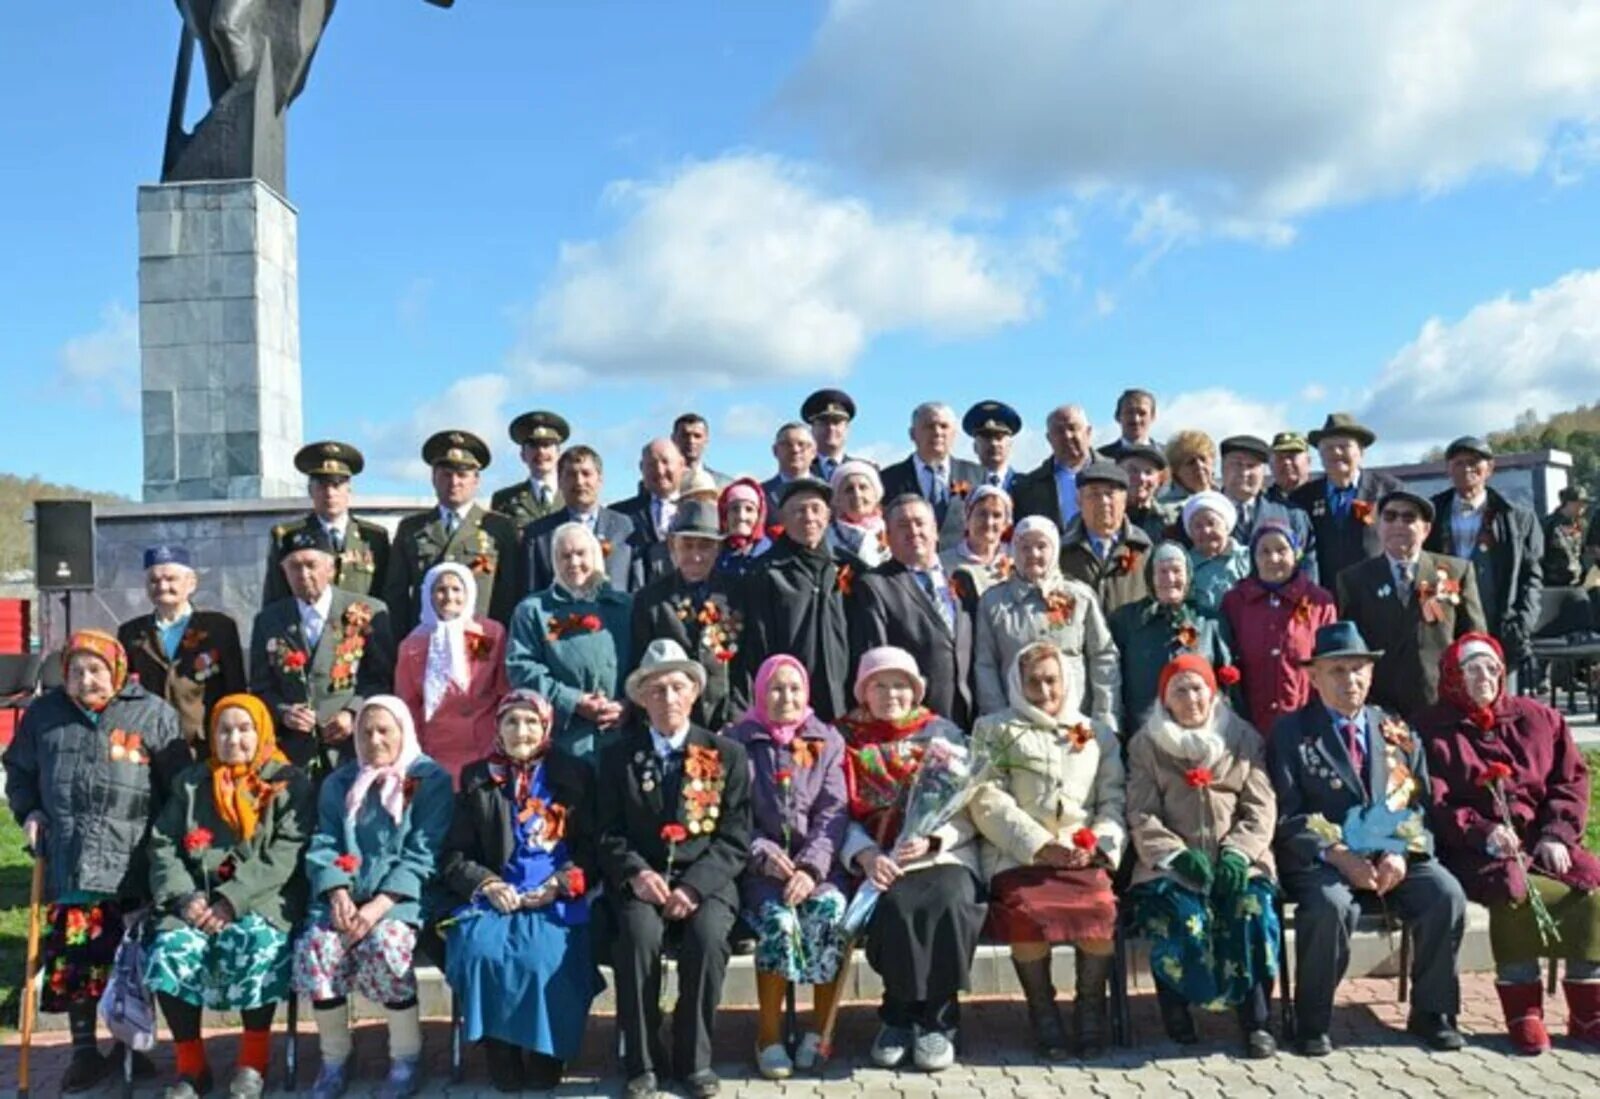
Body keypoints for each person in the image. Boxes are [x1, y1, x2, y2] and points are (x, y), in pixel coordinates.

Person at [1269, 622, 1467, 1056]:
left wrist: (1398, 851)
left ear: (1371, 674)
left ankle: (1432, 1013)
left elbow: (1415, 803)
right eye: (1336, 671)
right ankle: (1311, 1021)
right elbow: (1290, 813)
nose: (1349, 680)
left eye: (1357, 669)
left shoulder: (1393, 729)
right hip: (1324, 860)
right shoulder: (1292, 734)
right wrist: (1340, 856)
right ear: (1314, 676)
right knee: (1330, 906)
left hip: (1391, 855)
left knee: (1445, 894)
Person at [3, 631, 187, 1092]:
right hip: (70, 859)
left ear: (117, 671)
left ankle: (131, 1047)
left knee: (131, 959)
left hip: (133, 863)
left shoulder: (153, 714)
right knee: (77, 960)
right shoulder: (44, 716)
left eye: (96, 670)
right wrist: (31, 812)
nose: (87, 679)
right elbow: (20, 774)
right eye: (76, 671)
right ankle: (84, 1050)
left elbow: (178, 789)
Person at [1419, 633, 1600, 1053]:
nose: (1484, 677)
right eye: (1472, 669)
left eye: (1491, 668)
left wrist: (1557, 833)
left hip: (1540, 839)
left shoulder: (1540, 719)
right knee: (1512, 891)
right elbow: (1437, 800)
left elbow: (1571, 782)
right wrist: (1483, 832)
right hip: (1473, 848)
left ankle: (1587, 1008)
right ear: (1453, 677)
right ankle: (1524, 1009)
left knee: (1589, 886)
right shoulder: (1434, 728)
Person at [596, 640, 753, 1099]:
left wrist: (696, 887)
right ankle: (642, 1063)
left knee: (706, 940)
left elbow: (734, 838)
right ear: (641, 698)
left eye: (677, 688)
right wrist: (637, 874)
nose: (668, 699)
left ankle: (693, 1060)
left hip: (707, 882)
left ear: (694, 693)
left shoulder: (726, 754)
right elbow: (606, 833)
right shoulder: (617, 757)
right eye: (656, 690)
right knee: (639, 939)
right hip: (642, 881)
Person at [144, 695, 312, 1099]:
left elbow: (284, 855)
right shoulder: (190, 783)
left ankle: (253, 1062)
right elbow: (163, 844)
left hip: (262, 899)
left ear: (262, 732)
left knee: (256, 942)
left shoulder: (289, 781)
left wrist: (231, 900)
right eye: (224, 729)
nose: (233, 738)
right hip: (195, 903)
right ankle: (191, 1069)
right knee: (170, 947)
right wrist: (185, 898)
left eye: (244, 729)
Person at [968, 642, 1125, 1060]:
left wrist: (1099, 846)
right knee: (1028, 915)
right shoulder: (994, 729)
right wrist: (1040, 846)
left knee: (1101, 909)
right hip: (1019, 858)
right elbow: (987, 799)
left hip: (1081, 856)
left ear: (1066, 680)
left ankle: (1090, 1009)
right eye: (1033, 681)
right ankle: (1043, 1013)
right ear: (1017, 684)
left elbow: (1113, 800)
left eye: (1051, 680)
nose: (1044, 690)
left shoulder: (1096, 733)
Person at [439, 690, 602, 1091]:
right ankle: (502, 1049)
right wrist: (488, 883)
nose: (521, 730)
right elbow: (455, 855)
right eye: (511, 721)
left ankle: (549, 1051)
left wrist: (560, 884)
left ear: (546, 726)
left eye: (530, 721)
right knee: (481, 951)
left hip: (557, 895)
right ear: (498, 728)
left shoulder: (575, 774)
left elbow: (595, 849)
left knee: (543, 957)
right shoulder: (478, 778)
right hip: (498, 896)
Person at [293, 696, 453, 1099]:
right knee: (319, 946)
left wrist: (380, 906)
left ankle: (405, 1057)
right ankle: (334, 1058)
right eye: (366, 732)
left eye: (385, 730)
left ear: (404, 732)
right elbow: (325, 841)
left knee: (387, 944)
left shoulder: (428, 779)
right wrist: (337, 894)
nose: (375, 739)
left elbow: (424, 853)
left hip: (401, 898)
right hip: (345, 899)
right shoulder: (340, 783)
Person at [838, 647, 984, 1073]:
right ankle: (898, 1015)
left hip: (943, 854)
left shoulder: (943, 734)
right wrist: (864, 854)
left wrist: (934, 840)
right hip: (880, 857)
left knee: (951, 899)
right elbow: (832, 812)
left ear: (916, 690)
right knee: (898, 906)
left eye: (901, 684)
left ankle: (939, 1020)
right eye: (879, 685)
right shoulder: (844, 738)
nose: (891, 694)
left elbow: (970, 806)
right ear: (863, 692)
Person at [1126, 654, 1280, 1057]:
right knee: (1180, 915)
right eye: (1180, 689)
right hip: (1173, 863)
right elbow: (1141, 812)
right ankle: (1177, 1010)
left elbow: (1261, 806)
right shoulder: (1147, 744)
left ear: (1212, 691)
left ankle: (1256, 1019)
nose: (1191, 697)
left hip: (1239, 857)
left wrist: (1238, 853)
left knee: (1251, 910)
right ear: (1165, 698)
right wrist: (1175, 856)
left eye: (1198, 687)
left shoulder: (1242, 737)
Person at [726, 655, 850, 1078]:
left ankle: (819, 1032)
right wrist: (764, 856)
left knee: (830, 914)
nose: (786, 698)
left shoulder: (826, 740)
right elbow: (734, 816)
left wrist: (811, 869)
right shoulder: (738, 741)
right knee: (780, 924)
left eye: (795, 688)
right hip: (760, 872)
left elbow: (834, 813)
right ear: (761, 692)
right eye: (776, 689)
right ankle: (769, 1035)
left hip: (817, 870)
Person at [250, 526, 397, 773]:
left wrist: (353, 713)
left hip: (352, 750)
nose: (303, 574)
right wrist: (284, 713)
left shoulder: (368, 612)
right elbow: (260, 686)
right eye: (294, 567)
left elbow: (383, 680)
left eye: (311, 565)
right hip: (291, 754)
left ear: (331, 569)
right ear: (284, 572)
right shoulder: (269, 620)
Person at [1335, 490, 1486, 719]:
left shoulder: (1456, 571)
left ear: (1425, 529)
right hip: (1381, 705)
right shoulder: (1354, 579)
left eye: (1408, 518)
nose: (1398, 524)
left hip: (1441, 701)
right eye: (1390, 517)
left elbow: (1474, 640)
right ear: (1379, 526)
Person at [973, 516, 1119, 725]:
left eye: (1042, 546)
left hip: (1074, 724)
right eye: (1025, 548)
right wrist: (999, 721)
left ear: (1055, 549)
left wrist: (1105, 720)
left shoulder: (1079, 597)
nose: (1033, 554)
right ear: (1014, 551)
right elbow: (985, 664)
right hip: (1016, 724)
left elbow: (1102, 656)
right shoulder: (993, 602)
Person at [506, 522, 632, 763]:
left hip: (622, 739)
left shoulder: (626, 607)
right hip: (563, 744)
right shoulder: (533, 611)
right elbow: (521, 668)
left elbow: (644, 667)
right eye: (565, 556)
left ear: (595, 555)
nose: (573, 563)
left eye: (580, 553)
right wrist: (572, 701)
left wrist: (629, 705)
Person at [849, 495, 976, 728]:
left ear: (935, 530)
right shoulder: (875, 585)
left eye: (919, 523)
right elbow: (875, 660)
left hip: (970, 714)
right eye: (903, 526)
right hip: (913, 722)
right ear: (888, 536)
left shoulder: (962, 577)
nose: (913, 531)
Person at [1423, 436, 1543, 679]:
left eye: (1474, 462)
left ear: (1490, 468)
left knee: (1498, 704)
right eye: (1458, 463)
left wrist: (1523, 623)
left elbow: (1532, 576)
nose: (1467, 468)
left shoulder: (1518, 518)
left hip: (1499, 626)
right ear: (1448, 469)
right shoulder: (1429, 514)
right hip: (1444, 625)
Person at [739, 479, 853, 722]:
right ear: (782, 517)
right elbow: (757, 647)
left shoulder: (847, 567)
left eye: (816, 509)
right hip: (788, 704)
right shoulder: (765, 573)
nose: (809, 517)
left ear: (829, 515)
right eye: (798, 510)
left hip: (843, 701)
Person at [386, 431, 521, 630]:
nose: (454, 482)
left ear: (476, 480)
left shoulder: (498, 527)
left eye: (462, 475)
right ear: (433, 478)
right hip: (426, 642)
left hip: (481, 643)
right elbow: (395, 595)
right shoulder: (411, 528)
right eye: (446, 474)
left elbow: (510, 592)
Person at [119, 543, 246, 752]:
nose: (161, 586)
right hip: (150, 744)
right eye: (154, 580)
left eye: (170, 579)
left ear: (191, 583)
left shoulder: (219, 628)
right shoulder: (131, 633)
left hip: (204, 743)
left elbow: (235, 689)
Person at [630, 501, 741, 731]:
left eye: (704, 547)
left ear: (718, 549)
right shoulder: (650, 600)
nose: (696, 556)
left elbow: (747, 663)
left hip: (727, 721)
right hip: (671, 722)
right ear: (672, 546)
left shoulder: (737, 594)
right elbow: (640, 668)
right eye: (687, 546)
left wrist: (737, 717)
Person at [395, 563, 509, 782]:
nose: (449, 596)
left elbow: (503, 687)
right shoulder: (412, 645)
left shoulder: (490, 632)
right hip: (437, 749)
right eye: (440, 590)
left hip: (485, 744)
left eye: (456, 589)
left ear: (469, 593)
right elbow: (408, 705)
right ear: (428, 595)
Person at [1220, 523, 1338, 734]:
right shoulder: (1235, 601)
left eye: (1281, 550)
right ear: (1253, 558)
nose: (1273, 559)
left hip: (1305, 724)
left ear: (1295, 554)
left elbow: (1330, 661)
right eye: (1264, 551)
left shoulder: (1319, 600)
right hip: (1249, 724)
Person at [1108, 542, 1233, 736]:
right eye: (1162, 571)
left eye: (1177, 570)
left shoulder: (1208, 621)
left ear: (1188, 575)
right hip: (1145, 737)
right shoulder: (1126, 621)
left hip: (1201, 736)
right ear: (1151, 577)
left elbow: (1228, 685)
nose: (1170, 578)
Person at [262, 441, 391, 606]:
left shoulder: (374, 537)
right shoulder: (288, 536)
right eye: (322, 485)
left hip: (362, 628)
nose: (330, 493)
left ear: (349, 489)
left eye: (337, 485)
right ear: (310, 490)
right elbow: (275, 597)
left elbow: (386, 594)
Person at [1290, 413, 1401, 586]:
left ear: (1361, 452)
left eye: (1344, 446)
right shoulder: (1302, 498)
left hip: (1377, 593)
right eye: (1328, 447)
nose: (1336, 452)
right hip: (1322, 597)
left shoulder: (1388, 491)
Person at [522, 445, 638, 593]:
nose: (579, 482)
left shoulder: (625, 527)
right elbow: (531, 593)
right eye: (571, 474)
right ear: (559, 481)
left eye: (586, 473)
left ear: (600, 479)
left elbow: (636, 586)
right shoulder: (539, 535)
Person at [879, 402, 984, 553]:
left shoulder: (978, 476)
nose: (937, 432)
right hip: (908, 569)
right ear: (912, 434)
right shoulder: (887, 479)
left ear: (954, 434)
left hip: (961, 568)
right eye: (929, 426)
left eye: (944, 426)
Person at [1058, 461, 1155, 615]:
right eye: (1094, 494)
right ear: (1079, 500)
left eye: (1110, 494)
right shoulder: (1063, 552)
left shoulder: (1143, 548)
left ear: (1124, 500)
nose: (1103, 502)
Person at [1218, 434, 1316, 581]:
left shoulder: (1291, 515)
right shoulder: (1200, 514)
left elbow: (1307, 570)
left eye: (1252, 466)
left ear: (1263, 471)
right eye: (1237, 464)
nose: (1244, 473)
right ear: (1223, 468)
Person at [612, 438, 687, 592]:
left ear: (681, 464)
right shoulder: (619, 514)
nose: (659, 470)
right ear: (641, 468)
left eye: (666, 462)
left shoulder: (697, 511)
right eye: (651, 464)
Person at [1012, 404, 1094, 531]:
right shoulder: (1028, 487)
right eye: (1059, 431)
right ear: (1049, 438)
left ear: (1088, 432)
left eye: (1073, 428)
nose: (1067, 435)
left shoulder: (1116, 474)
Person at [490, 411, 568, 529]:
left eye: (546, 445)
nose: (541, 451)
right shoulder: (504, 500)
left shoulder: (573, 493)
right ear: (522, 455)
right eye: (533, 445)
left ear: (558, 453)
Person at [939, 483, 1014, 597]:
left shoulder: (1018, 560)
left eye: (997, 515)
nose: (989, 522)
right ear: (968, 517)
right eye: (982, 514)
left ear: (1006, 523)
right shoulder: (943, 563)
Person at [1182, 490, 1250, 614]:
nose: (1206, 531)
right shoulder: (1184, 565)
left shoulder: (1249, 557)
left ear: (1226, 527)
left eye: (1211, 523)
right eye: (1198, 526)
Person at [826, 459, 891, 570]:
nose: (857, 495)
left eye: (863, 487)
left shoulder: (892, 530)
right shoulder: (826, 537)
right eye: (849, 489)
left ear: (875, 495)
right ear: (837, 499)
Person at [715, 477, 774, 578]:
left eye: (749, 509)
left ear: (759, 515)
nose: (741, 516)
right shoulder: (714, 552)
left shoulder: (770, 554)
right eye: (734, 509)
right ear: (725, 515)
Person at [962, 400, 1022, 491]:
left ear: (1010, 445)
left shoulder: (1026, 486)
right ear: (975, 447)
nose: (994, 444)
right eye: (987, 437)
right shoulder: (963, 487)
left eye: (999, 437)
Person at [802, 388, 858, 484]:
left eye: (836, 422)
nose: (831, 428)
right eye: (824, 422)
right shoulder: (801, 469)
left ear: (847, 428)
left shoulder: (860, 470)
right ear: (812, 429)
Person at [1118, 443, 1171, 543]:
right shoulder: (1102, 516)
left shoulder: (1169, 520)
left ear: (1160, 479)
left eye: (1148, 472)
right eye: (1132, 470)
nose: (1141, 478)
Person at [763, 421, 819, 516]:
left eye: (801, 444)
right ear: (775, 451)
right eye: (787, 444)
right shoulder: (762, 493)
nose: (795, 450)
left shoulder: (828, 492)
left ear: (813, 452)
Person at [1542, 485, 1591, 588]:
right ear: (1569, 503)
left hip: (1577, 584)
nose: (1583, 507)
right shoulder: (1548, 524)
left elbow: (1583, 554)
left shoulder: (1581, 525)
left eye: (1585, 503)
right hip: (1553, 585)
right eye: (1580, 503)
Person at [1097, 388, 1160, 461]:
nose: (1136, 419)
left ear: (1153, 417)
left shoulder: (1168, 456)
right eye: (1129, 412)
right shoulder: (1101, 457)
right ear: (1117, 417)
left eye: (1142, 413)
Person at [673, 412, 732, 488]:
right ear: (673, 438)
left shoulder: (723, 485)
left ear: (706, 440)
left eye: (697, 436)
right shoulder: (659, 484)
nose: (691, 441)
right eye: (685, 435)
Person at [1162, 430, 1217, 503]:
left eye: (1203, 459)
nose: (1199, 465)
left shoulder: (1227, 500)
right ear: (1176, 471)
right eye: (1191, 462)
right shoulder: (1163, 510)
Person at [1267, 432, 1312, 503]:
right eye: (1280, 457)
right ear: (1270, 465)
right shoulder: (1261, 503)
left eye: (1292, 456)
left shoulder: (1326, 496)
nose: (1286, 462)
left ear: (1308, 461)